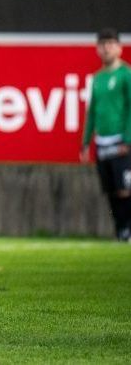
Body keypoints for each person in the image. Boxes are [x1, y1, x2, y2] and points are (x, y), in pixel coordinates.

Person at [80, 28, 131, 241]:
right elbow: (92, 111)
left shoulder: (126, 75)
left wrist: (128, 139)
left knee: (125, 188)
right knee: (110, 190)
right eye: (102, 44)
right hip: (102, 142)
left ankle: (128, 228)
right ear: (97, 49)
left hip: (121, 141)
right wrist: (85, 142)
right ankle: (120, 231)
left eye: (110, 43)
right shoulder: (97, 78)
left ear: (119, 48)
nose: (106, 48)